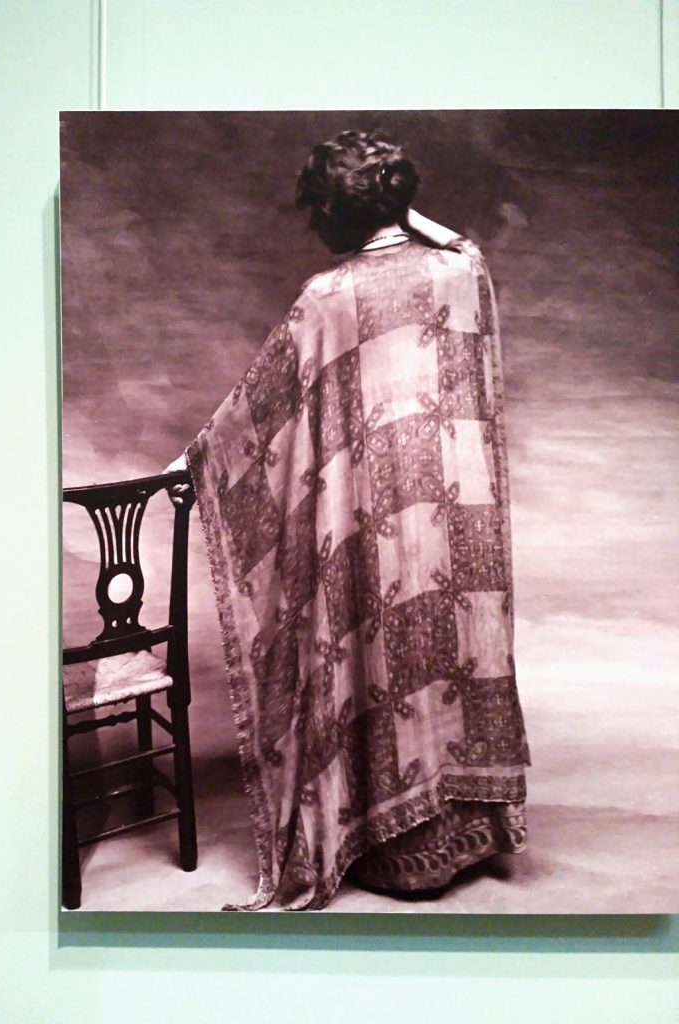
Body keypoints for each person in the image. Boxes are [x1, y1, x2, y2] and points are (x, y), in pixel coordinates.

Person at [167, 130, 530, 910]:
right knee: (447, 641)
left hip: (372, 505)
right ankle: (463, 831)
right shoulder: (458, 272)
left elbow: (258, 410)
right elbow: (460, 243)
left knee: (380, 648)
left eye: (317, 209)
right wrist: (404, 210)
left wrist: (196, 463)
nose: (312, 225)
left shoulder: (330, 297)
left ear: (338, 210)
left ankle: (393, 843)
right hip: (454, 498)